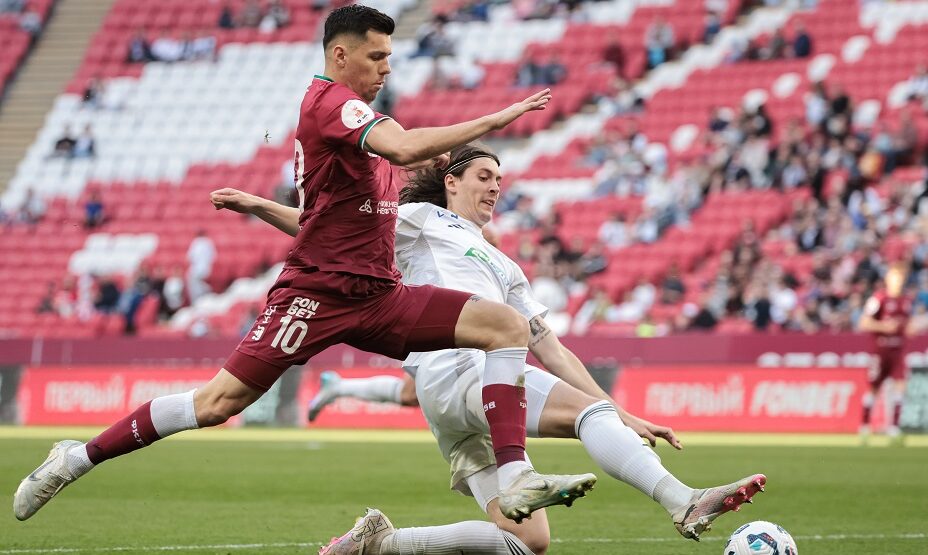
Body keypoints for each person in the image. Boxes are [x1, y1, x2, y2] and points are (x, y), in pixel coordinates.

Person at [12, 5, 585, 525]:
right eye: (376, 55)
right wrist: (501, 116)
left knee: (505, 326)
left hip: (380, 296)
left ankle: (516, 477)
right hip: (317, 295)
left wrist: (260, 205)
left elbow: (327, 215)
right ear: (341, 54)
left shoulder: (359, 127)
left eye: (389, 55)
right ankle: (76, 457)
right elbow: (405, 147)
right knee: (217, 404)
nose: (387, 67)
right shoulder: (332, 104)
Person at [307, 145, 765, 554]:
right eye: (483, 176)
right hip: (460, 369)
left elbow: (551, 348)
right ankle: (682, 500)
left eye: (499, 180)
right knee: (589, 415)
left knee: (527, 543)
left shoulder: (505, 267)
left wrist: (621, 413)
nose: (494, 187)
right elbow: (334, 228)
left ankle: (379, 544)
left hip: (461, 399)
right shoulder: (423, 219)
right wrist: (266, 208)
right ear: (451, 182)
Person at [858, 262, 920, 442]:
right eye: (894, 277)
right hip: (880, 350)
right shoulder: (879, 299)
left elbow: (909, 324)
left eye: (900, 278)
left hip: (898, 351)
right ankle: (864, 427)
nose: (897, 281)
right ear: (888, 279)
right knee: (874, 388)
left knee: (901, 386)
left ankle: (894, 428)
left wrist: (911, 328)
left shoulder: (906, 301)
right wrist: (883, 326)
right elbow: (864, 322)